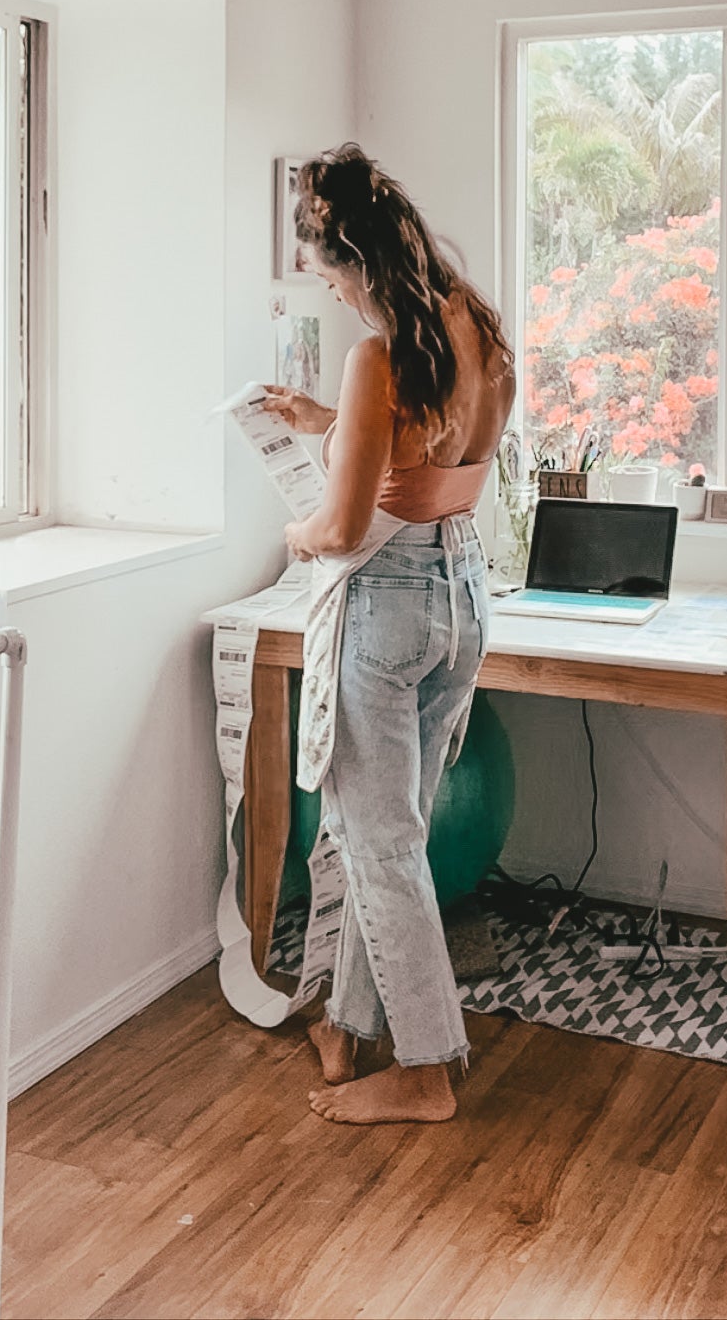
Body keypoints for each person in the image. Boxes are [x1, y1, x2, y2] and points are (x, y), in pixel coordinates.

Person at [264, 145, 514, 1125]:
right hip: (462, 595)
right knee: (395, 834)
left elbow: (337, 526)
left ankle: (424, 1068)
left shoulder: (379, 354)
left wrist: (301, 521)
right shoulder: (472, 325)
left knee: (376, 844)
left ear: (358, 261)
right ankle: (348, 1026)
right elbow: (446, 463)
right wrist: (332, 422)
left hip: (390, 610)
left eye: (326, 268)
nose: (324, 283)